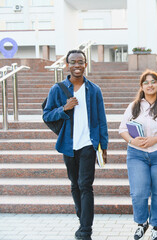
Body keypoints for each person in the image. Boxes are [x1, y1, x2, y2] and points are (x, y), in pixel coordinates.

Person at [43, 50, 108, 240]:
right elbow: (47, 115)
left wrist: (103, 146)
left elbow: (101, 120)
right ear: (67, 65)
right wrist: (64, 108)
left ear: (86, 64)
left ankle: (86, 230)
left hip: (89, 144)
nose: (77, 65)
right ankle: (83, 219)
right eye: (73, 62)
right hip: (68, 145)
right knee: (75, 184)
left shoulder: (94, 90)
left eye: (81, 62)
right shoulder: (58, 89)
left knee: (85, 185)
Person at [119, 70, 157, 240]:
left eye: (153, 81)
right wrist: (133, 142)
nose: (150, 85)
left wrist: (155, 140)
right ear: (141, 86)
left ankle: (155, 226)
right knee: (138, 192)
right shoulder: (134, 106)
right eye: (146, 82)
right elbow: (123, 129)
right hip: (137, 154)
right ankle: (141, 223)